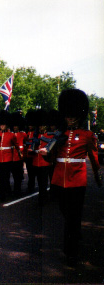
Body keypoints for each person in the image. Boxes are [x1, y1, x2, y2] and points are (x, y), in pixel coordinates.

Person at [38, 89, 101, 266]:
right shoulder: (60, 135)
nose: (70, 118)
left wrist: (97, 175)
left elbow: (94, 158)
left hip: (77, 179)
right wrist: (44, 153)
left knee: (73, 217)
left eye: (73, 115)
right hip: (59, 180)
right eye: (68, 115)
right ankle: (75, 231)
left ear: (79, 116)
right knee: (67, 214)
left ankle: (71, 252)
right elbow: (50, 158)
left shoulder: (88, 136)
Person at [0, 111, 22, 202]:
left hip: (8, 158)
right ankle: (6, 191)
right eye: (1, 124)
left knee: (5, 176)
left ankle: (2, 194)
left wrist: (20, 154)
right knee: (2, 176)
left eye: (3, 124)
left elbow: (16, 145)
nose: (2, 126)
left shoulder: (11, 135)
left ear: (7, 125)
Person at [30, 109, 53, 205]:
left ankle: (43, 197)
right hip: (36, 162)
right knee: (39, 181)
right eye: (39, 125)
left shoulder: (50, 135)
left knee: (44, 182)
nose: (41, 127)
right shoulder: (36, 135)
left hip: (45, 162)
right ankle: (42, 196)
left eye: (42, 125)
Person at [10, 112, 27, 197]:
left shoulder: (23, 134)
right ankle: (15, 189)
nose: (15, 127)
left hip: (19, 156)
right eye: (14, 126)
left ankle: (18, 189)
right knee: (13, 174)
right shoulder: (11, 134)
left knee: (18, 175)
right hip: (12, 156)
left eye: (16, 126)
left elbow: (25, 144)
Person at [25, 110, 36, 192]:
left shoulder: (36, 133)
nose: (30, 126)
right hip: (28, 155)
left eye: (31, 124)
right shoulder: (27, 133)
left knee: (33, 171)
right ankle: (31, 184)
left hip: (35, 155)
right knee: (29, 171)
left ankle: (32, 184)